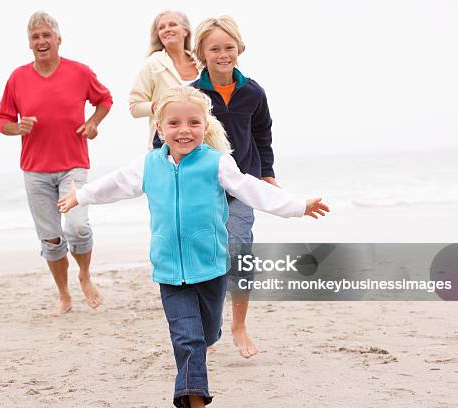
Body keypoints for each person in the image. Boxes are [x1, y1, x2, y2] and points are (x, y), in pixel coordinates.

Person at [57, 86, 329, 407]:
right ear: (159, 128)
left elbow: (252, 189)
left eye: (193, 123)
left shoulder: (216, 163)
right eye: (174, 123)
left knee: (207, 332)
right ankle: (193, 399)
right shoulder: (148, 165)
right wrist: (81, 195)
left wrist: (298, 205)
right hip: (169, 271)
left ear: (204, 125)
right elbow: (114, 184)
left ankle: (211, 337)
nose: (184, 130)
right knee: (187, 339)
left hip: (211, 269)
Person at [0, 11, 112, 315]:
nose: (41, 41)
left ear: (58, 39)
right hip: (35, 170)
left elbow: (105, 99)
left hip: (73, 164)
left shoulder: (79, 72)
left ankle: (84, 274)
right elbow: (0, 120)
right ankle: (64, 294)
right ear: (30, 44)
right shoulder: (18, 78)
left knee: (78, 227)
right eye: (35, 37)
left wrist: (93, 123)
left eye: (47, 35)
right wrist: (15, 127)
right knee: (51, 238)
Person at [191, 15, 282, 358]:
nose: (223, 54)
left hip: (242, 187)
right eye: (214, 48)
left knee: (240, 250)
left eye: (229, 47)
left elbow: (262, 135)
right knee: (208, 256)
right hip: (202, 188)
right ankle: (208, 323)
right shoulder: (192, 94)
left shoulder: (253, 92)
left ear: (239, 48)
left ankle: (239, 325)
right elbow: (166, 138)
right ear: (201, 52)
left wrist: (268, 174)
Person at [129, 10, 199, 148]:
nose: (167, 29)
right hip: (165, 146)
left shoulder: (201, 63)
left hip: (201, 144)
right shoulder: (152, 63)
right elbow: (134, 107)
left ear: (185, 31)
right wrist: (158, 105)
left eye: (172, 24)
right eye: (161, 27)